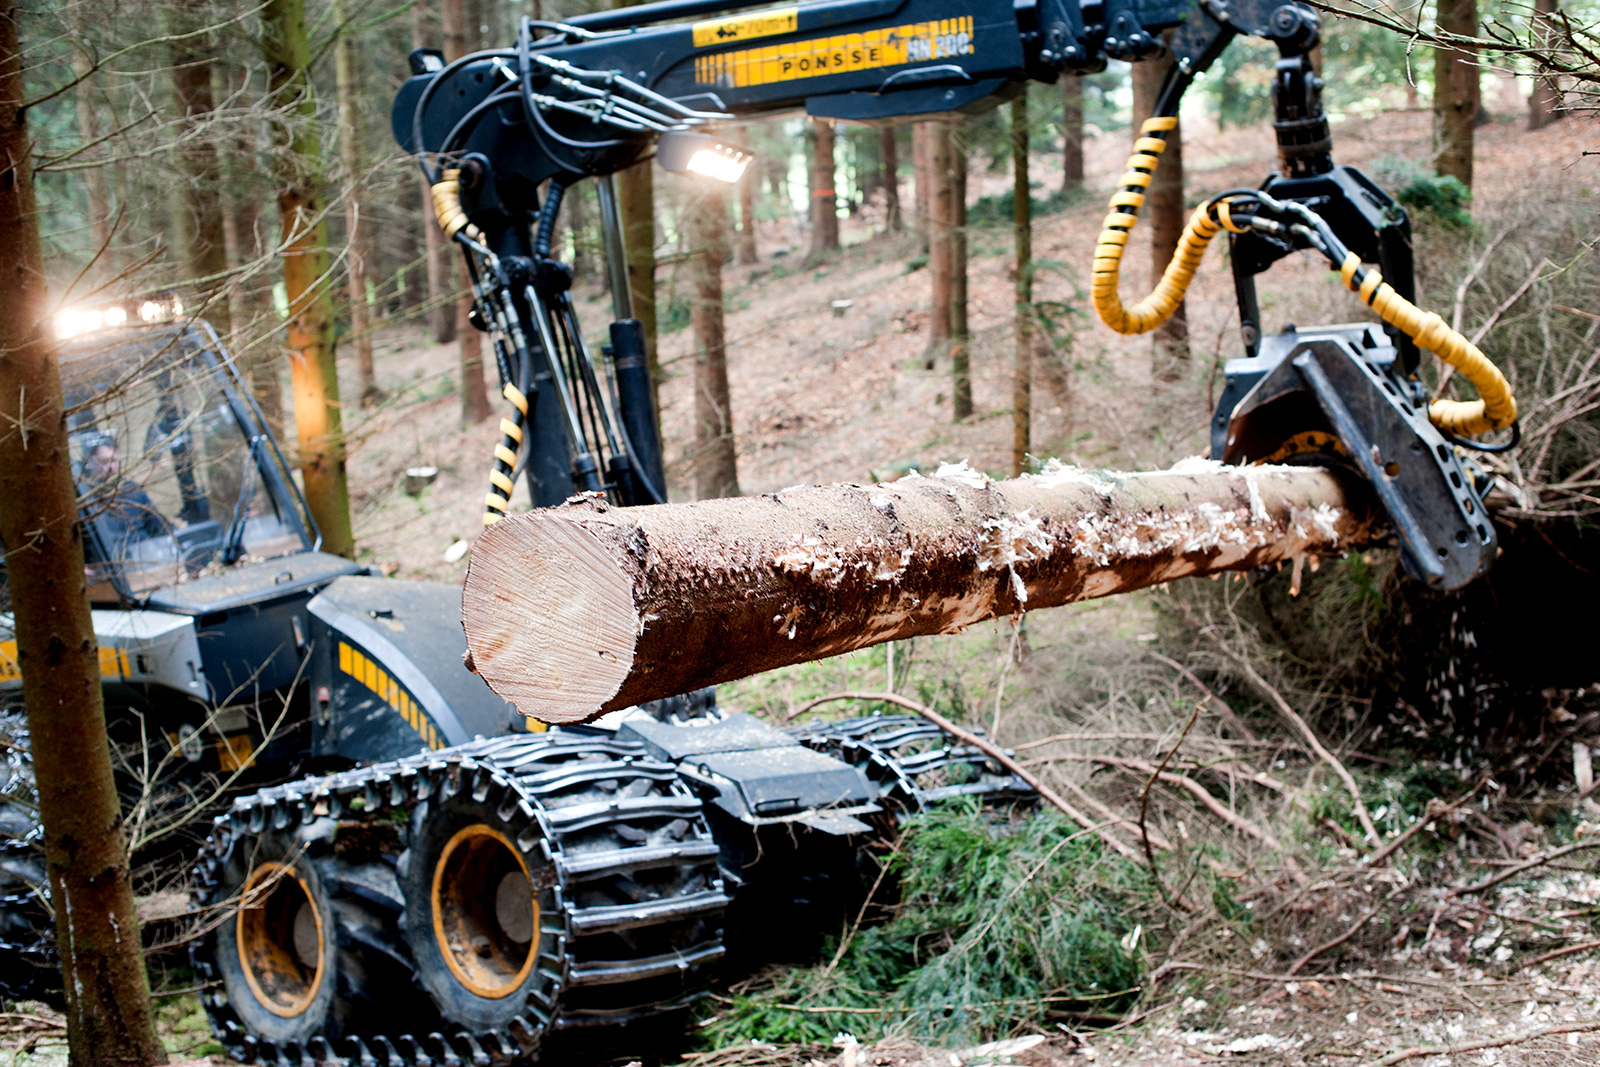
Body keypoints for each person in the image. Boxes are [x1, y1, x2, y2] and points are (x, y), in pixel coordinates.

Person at [78, 433, 172, 551]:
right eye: (104, 461)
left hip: (142, 556)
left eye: (114, 460)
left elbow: (160, 527)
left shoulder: (131, 490)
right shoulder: (84, 497)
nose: (111, 466)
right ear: (89, 462)